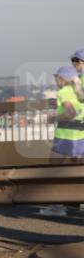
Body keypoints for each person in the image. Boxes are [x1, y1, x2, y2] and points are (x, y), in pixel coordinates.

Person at [41, 66, 84, 216]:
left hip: (65, 136)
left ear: (62, 79)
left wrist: (53, 117)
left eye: (56, 77)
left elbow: (70, 113)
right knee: (77, 171)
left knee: (52, 171)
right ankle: (73, 203)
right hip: (79, 136)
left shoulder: (63, 91)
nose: (55, 81)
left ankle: (56, 206)